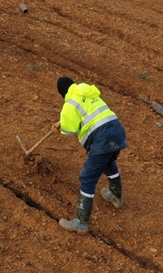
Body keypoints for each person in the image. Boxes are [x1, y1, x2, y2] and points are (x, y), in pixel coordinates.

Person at [51, 77, 128, 234]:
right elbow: (89, 114)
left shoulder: (69, 104)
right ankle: (116, 196)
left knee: (87, 177)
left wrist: (61, 128)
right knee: (108, 162)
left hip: (102, 138)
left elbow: (71, 129)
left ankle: (81, 222)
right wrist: (62, 122)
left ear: (62, 93)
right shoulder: (87, 91)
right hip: (117, 131)